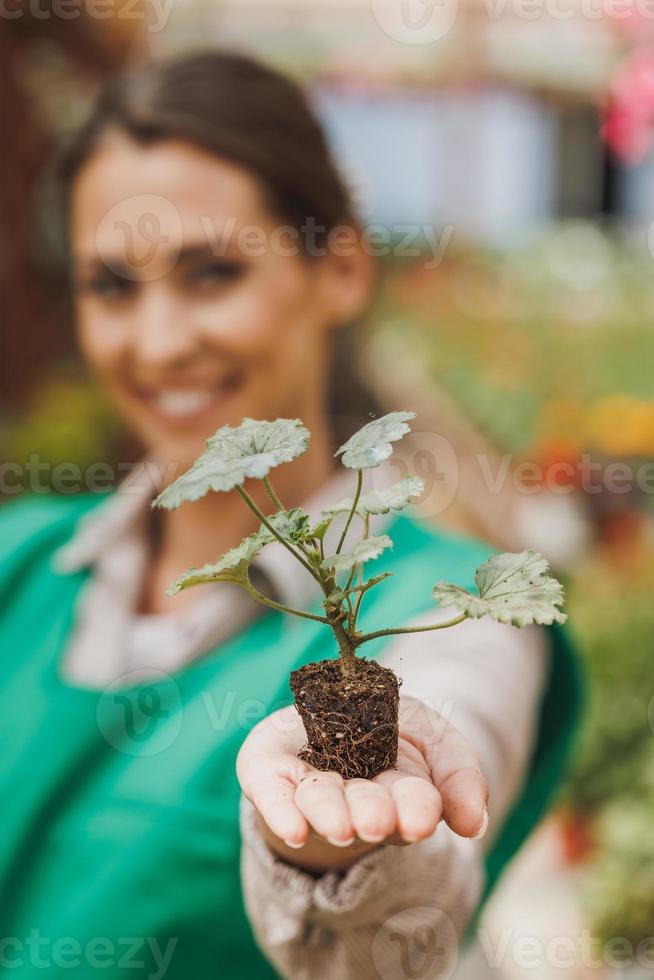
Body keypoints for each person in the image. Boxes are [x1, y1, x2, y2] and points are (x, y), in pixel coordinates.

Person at [0, 51, 582, 980]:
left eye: (212, 273)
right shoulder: (17, 563)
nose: (158, 342)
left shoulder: (457, 615)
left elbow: (402, 919)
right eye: (112, 285)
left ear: (341, 269)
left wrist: (340, 844)